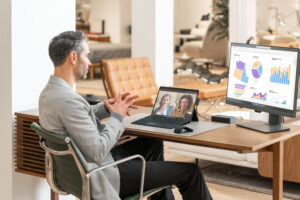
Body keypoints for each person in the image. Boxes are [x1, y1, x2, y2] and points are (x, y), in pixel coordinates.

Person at [39, 31, 212, 200]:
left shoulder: (50, 93)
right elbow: (98, 151)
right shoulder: (69, 100)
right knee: (191, 172)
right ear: (74, 57)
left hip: (80, 172)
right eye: (87, 56)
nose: (90, 63)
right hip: (103, 175)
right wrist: (117, 117)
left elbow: (76, 119)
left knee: (151, 142)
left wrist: (105, 108)